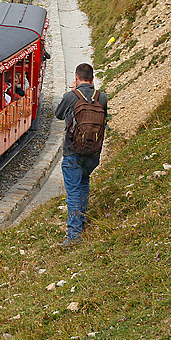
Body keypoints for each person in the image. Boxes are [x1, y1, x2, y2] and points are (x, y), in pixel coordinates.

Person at [54, 63, 107, 247]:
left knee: (73, 190)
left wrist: (72, 92)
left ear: (76, 77)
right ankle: (82, 223)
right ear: (92, 79)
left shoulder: (71, 96)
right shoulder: (103, 97)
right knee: (84, 183)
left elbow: (58, 115)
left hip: (72, 152)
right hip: (93, 153)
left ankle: (74, 234)